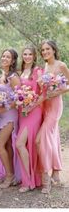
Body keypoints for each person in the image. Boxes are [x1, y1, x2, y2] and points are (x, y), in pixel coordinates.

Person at [36, 40, 69, 194]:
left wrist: (57, 92)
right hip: (45, 106)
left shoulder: (60, 65)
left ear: (54, 50)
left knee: (41, 138)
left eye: (47, 49)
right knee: (52, 137)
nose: (45, 52)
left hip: (55, 106)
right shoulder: (45, 67)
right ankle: (56, 171)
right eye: (42, 50)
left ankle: (46, 177)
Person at [0, 49, 21, 188]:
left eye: (8, 57)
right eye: (3, 56)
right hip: (0, 114)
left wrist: (6, 107)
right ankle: (13, 174)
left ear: (13, 60)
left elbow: (19, 97)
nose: (4, 58)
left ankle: (9, 176)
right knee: (7, 145)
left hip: (10, 115)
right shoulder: (1, 76)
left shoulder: (14, 77)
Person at [16, 46, 43, 192]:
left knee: (20, 144)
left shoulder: (38, 71)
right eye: (25, 54)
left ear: (34, 56)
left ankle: (28, 181)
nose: (27, 56)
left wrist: (30, 107)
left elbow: (43, 93)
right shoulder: (21, 73)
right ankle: (31, 179)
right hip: (22, 112)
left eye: (30, 54)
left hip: (34, 111)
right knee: (25, 145)